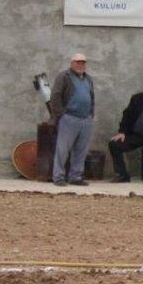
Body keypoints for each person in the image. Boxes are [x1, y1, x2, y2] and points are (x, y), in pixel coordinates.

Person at [49, 53, 94, 187]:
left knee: (81, 150)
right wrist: (61, 114)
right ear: (71, 63)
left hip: (85, 119)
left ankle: (75, 176)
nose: (81, 65)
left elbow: (91, 97)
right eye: (78, 62)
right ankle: (58, 177)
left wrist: (91, 114)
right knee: (63, 149)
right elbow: (55, 96)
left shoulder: (88, 79)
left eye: (83, 63)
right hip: (69, 117)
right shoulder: (64, 76)